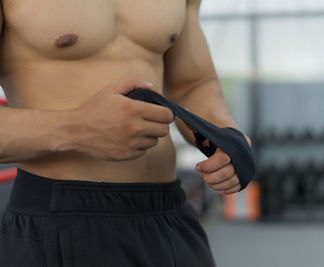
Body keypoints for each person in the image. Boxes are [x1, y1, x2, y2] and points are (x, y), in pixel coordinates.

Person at [0, 0, 251, 266]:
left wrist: (225, 134)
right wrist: (78, 127)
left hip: (169, 212)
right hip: (60, 220)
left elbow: (194, 83)